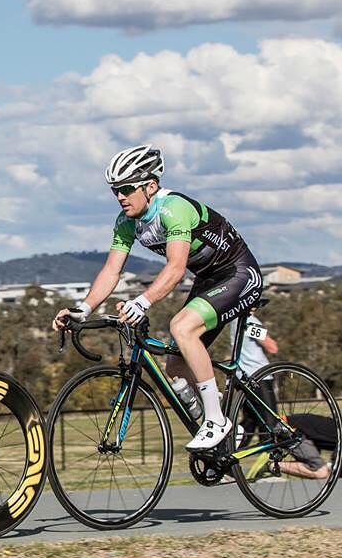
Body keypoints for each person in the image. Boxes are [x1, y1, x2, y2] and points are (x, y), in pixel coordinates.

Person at [52, 144, 263, 451]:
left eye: (126, 188)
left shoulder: (172, 208)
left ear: (150, 186)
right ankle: (230, 429)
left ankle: (217, 420)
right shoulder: (126, 222)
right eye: (115, 191)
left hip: (239, 273)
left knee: (181, 327)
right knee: (176, 365)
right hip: (208, 279)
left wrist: (142, 302)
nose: (121, 197)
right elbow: (112, 270)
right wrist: (83, 309)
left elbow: (176, 268)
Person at [230, 306, 279, 447]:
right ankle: (270, 454)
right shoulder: (250, 322)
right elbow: (272, 347)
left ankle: (231, 450)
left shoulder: (235, 321)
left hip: (242, 376)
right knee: (269, 421)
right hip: (259, 376)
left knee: (250, 420)